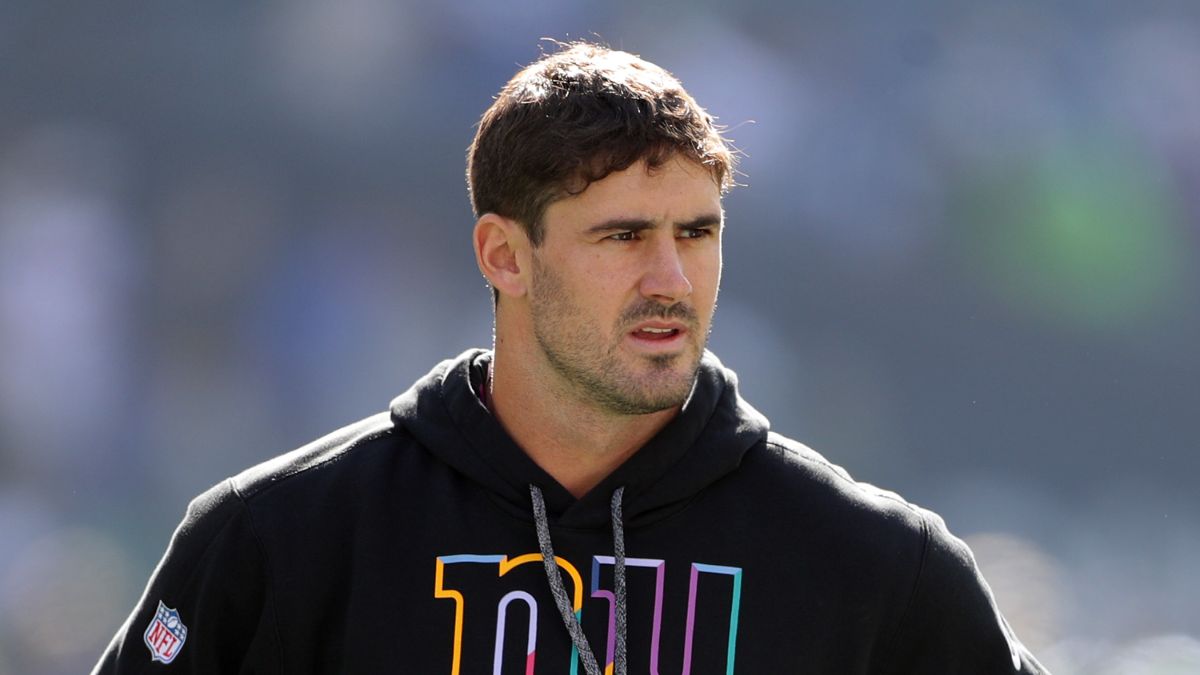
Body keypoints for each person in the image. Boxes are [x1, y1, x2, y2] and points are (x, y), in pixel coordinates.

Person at [94, 42, 1050, 674]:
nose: (672, 278)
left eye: (697, 232)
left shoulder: (874, 565)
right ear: (505, 256)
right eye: (623, 236)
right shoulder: (282, 538)